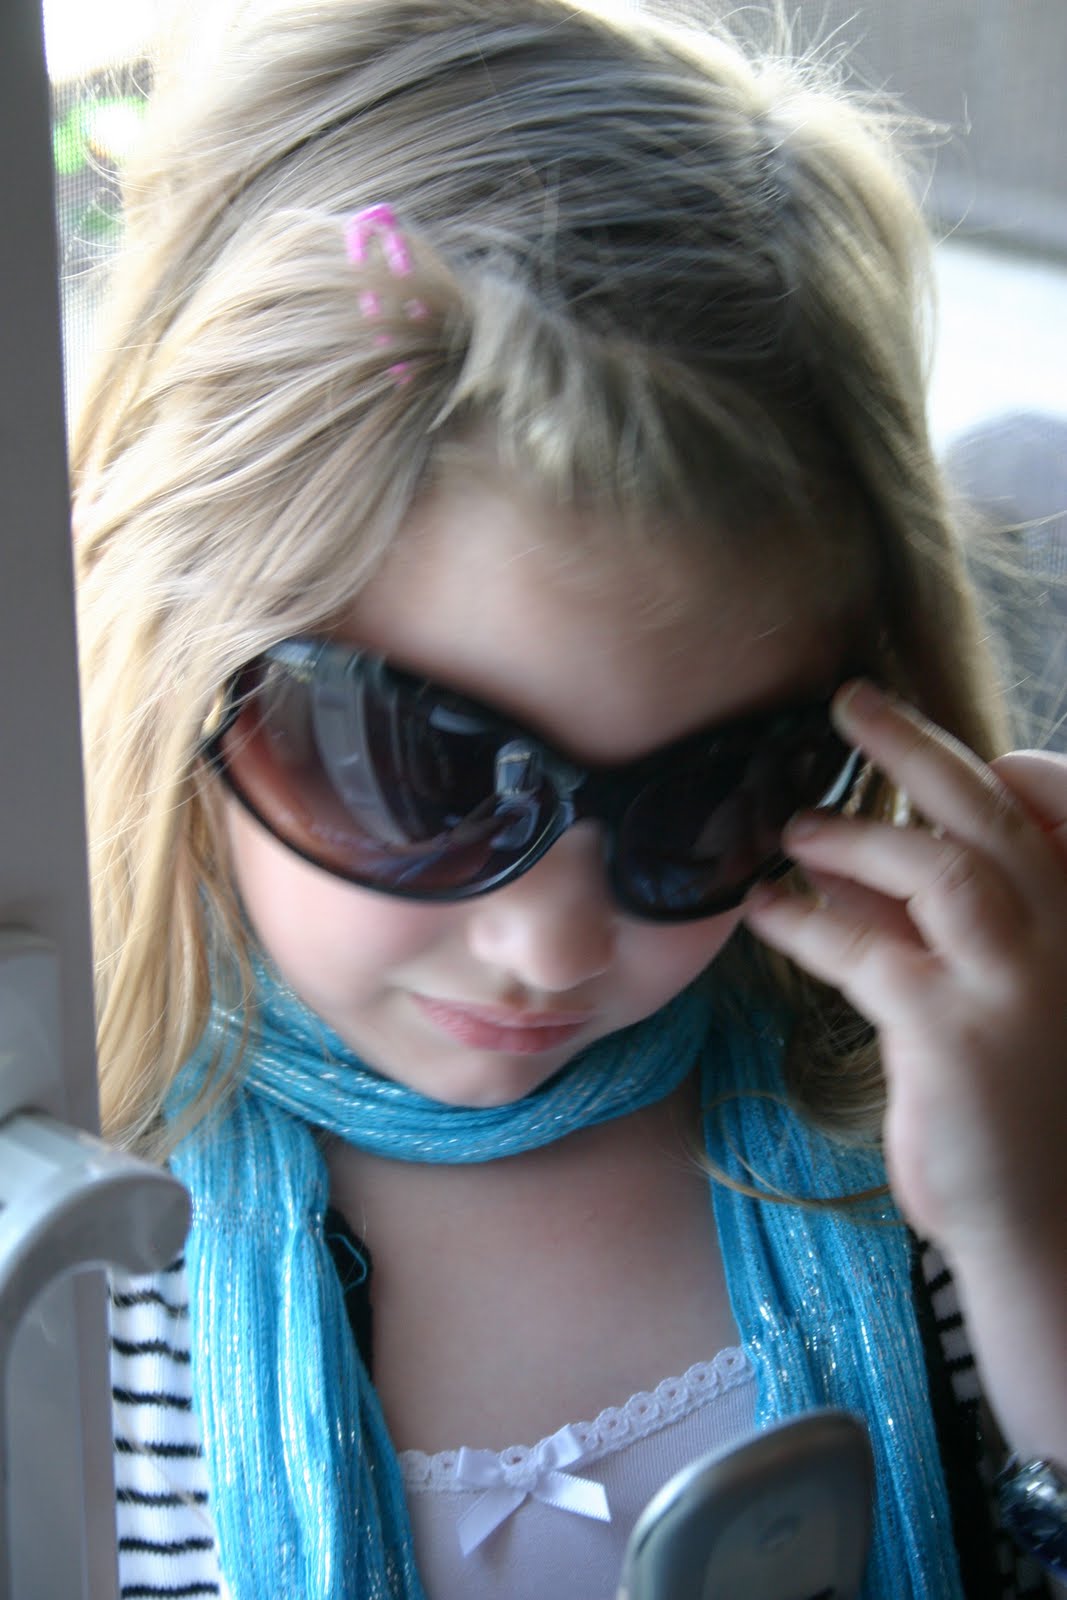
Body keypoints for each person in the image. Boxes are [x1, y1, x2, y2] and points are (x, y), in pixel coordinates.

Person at [71, 1, 1067, 1596]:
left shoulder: (920, 1120)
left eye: (712, 798)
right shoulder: (84, 1257)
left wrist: (1028, 1238)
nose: (549, 943)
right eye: (421, 770)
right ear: (174, 656)